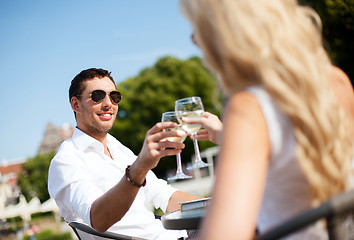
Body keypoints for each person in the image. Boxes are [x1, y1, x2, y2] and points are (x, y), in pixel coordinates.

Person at [179, 0, 354, 239]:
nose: (194, 41)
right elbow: (294, 150)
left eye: (198, 29)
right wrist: (225, 134)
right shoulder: (338, 81)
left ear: (224, 31)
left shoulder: (248, 107)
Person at [48, 68, 200, 240]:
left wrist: (217, 205)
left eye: (114, 97)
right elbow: (97, 219)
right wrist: (140, 167)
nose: (108, 104)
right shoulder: (67, 160)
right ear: (76, 105)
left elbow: (164, 196)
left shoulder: (117, 147)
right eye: (97, 96)